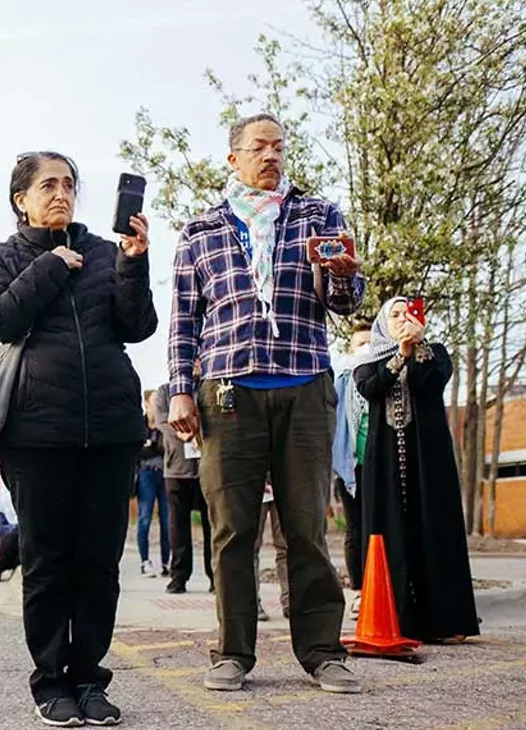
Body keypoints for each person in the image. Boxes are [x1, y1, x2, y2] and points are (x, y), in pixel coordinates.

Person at [166, 113, 366, 694]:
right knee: (232, 530)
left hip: (304, 385)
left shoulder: (319, 215)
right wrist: (180, 387)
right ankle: (232, 652)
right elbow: (184, 319)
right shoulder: (201, 230)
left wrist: (345, 277)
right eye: (259, 147)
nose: (271, 155)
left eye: (279, 147)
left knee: (305, 526)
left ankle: (324, 652)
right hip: (228, 392)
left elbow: (344, 305)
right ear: (234, 159)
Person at [0, 151, 156, 727]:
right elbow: (2, 318)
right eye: (47, 185)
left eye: (69, 184)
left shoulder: (104, 252)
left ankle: (90, 677)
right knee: (48, 561)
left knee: (99, 563)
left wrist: (132, 263)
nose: (61, 193)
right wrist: (52, 263)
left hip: (110, 429)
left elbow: (137, 326)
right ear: (19, 199)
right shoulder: (0, 258)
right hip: (35, 434)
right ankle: (51, 680)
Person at [353, 298, 479, 643]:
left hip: (428, 462)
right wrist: (400, 355)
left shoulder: (435, 352)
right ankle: (399, 621)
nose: (400, 320)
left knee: (433, 528)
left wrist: (418, 346)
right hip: (386, 465)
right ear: (381, 324)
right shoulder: (369, 362)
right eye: (392, 315)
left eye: (405, 313)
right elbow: (371, 387)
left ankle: (445, 622)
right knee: (390, 533)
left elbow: (432, 381)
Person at [153, 379, 214, 593]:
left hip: (208, 466)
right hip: (177, 469)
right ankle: (179, 576)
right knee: (178, 526)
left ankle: (215, 576)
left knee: (212, 525)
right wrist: (189, 429)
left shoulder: (209, 387)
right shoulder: (164, 391)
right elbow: (162, 422)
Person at [333, 321, 373, 618]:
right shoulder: (342, 379)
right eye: (361, 344)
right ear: (351, 349)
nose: (366, 348)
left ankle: (384, 589)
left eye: (371, 342)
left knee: (381, 529)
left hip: (380, 465)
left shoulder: (383, 376)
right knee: (355, 529)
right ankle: (360, 591)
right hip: (350, 466)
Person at [135, 389, 169, 577]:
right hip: (146, 474)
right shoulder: (141, 424)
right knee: (145, 517)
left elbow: (169, 447)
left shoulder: (165, 423)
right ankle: (144, 561)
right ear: (146, 404)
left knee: (167, 520)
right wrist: (152, 448)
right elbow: (138, 450)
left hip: (165, 474)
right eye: (154, 402)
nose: (157, 405)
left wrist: (152, 447)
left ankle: (166, 562)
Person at [251, 479, 287, 621]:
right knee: (251, 548)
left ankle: (290, 600)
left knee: (286, 546)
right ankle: (253, 603)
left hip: (282, 484)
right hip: (255, 483)